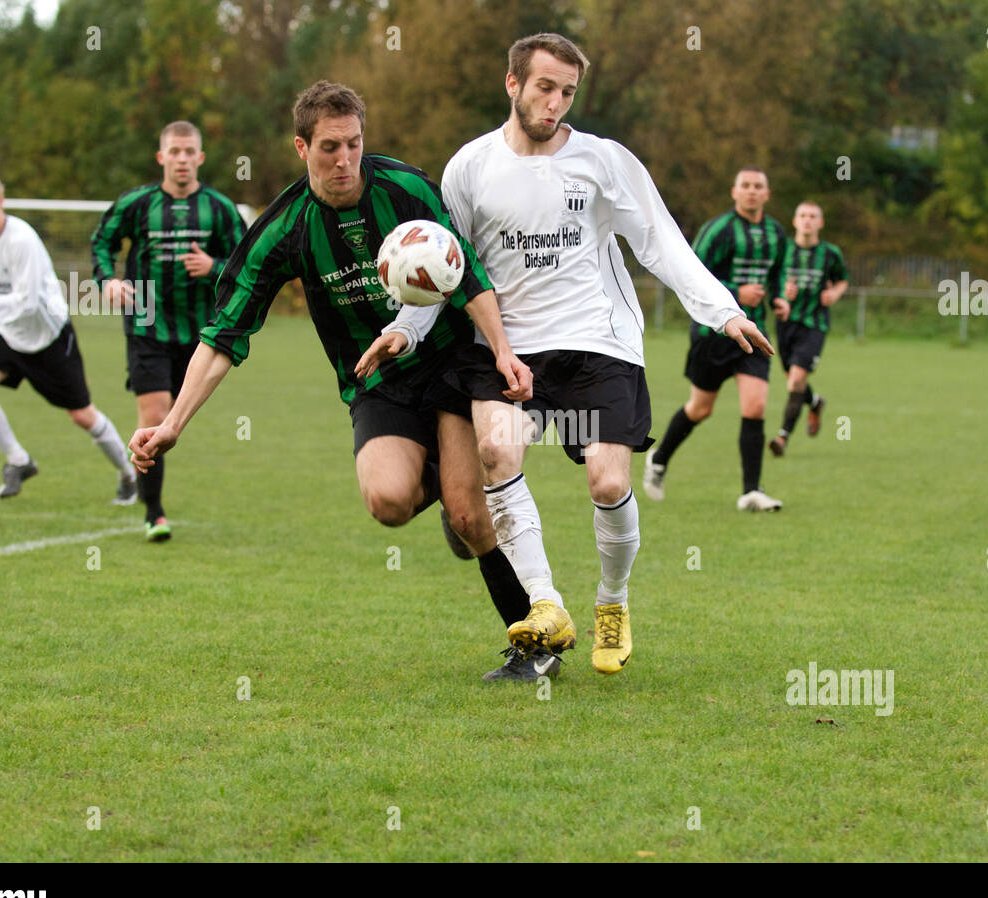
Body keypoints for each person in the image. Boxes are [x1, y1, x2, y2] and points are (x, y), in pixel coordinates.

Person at [359, 34, 772, 676]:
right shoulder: (469, 167)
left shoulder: (603, 161)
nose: (555, 104)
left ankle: (613, 600)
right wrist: (406, 329)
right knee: (496, 452)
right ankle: (546, 604)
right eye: (545, 88)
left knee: (608, 481)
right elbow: (450, 269)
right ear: (513, 84)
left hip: (596, 341)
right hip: (506, 347)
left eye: (567, 92)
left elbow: (660, 240)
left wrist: (721, 309)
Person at [127, 82, 539, 679]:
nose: (344, 160)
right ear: (301, 147)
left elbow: (467, 273)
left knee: (474, 519)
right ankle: (453, 494)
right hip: (376, 382)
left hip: (450, 363)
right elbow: (223, 335)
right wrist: (172, 424)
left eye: (353, 144)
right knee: (388, 502)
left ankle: (532, 646)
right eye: (328, 148)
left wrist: (501, 351)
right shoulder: (286, 227)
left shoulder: (405, 188)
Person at [92, 120, 247, 541]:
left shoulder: (219, 208)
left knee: (176, 420)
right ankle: (154, 513)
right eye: (173, 152)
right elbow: (102, 242)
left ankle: (146, 491)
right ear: (162, 157)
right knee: (155, 416)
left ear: (200, 157)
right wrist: (107, 280)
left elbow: (249, 262)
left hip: (200, 335)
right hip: (146, 324)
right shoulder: (137, 204)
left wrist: (214, 266)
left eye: (189, 151)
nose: (181, 159)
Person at [0, 172, 138, 502]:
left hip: (48, 338)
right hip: (7, 333)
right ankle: (19, 461)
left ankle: (129, 474)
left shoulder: (21, 240)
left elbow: (27, 303)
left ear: (0, 200)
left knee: (81, 415)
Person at [643, 167, 789, 511]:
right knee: (700, 408)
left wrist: (779, 297)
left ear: (767, 194)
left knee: (755, 406)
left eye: (759, 186)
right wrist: (738, 292)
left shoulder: (776, 233)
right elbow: (690, 271)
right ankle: (659, 458)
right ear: (734, 192)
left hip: (754, 331)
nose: (752, 192)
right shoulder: (718, 230)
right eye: (746, 186)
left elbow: (778, 274)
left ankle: (751, 491)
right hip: (713, 333)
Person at [769, 201, 847, 457]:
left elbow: (842, 280)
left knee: (797, 378)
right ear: (795, 221)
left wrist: (833, 294)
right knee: (793, 379)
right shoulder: (782, 250)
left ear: (820, 223)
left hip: (815, 324)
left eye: (813, 216)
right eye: (802, 215)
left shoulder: (830, 253)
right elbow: (772, 280)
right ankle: (815, 403)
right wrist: (782, 293)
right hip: (785, 324)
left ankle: (782, 437)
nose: (807, 220)